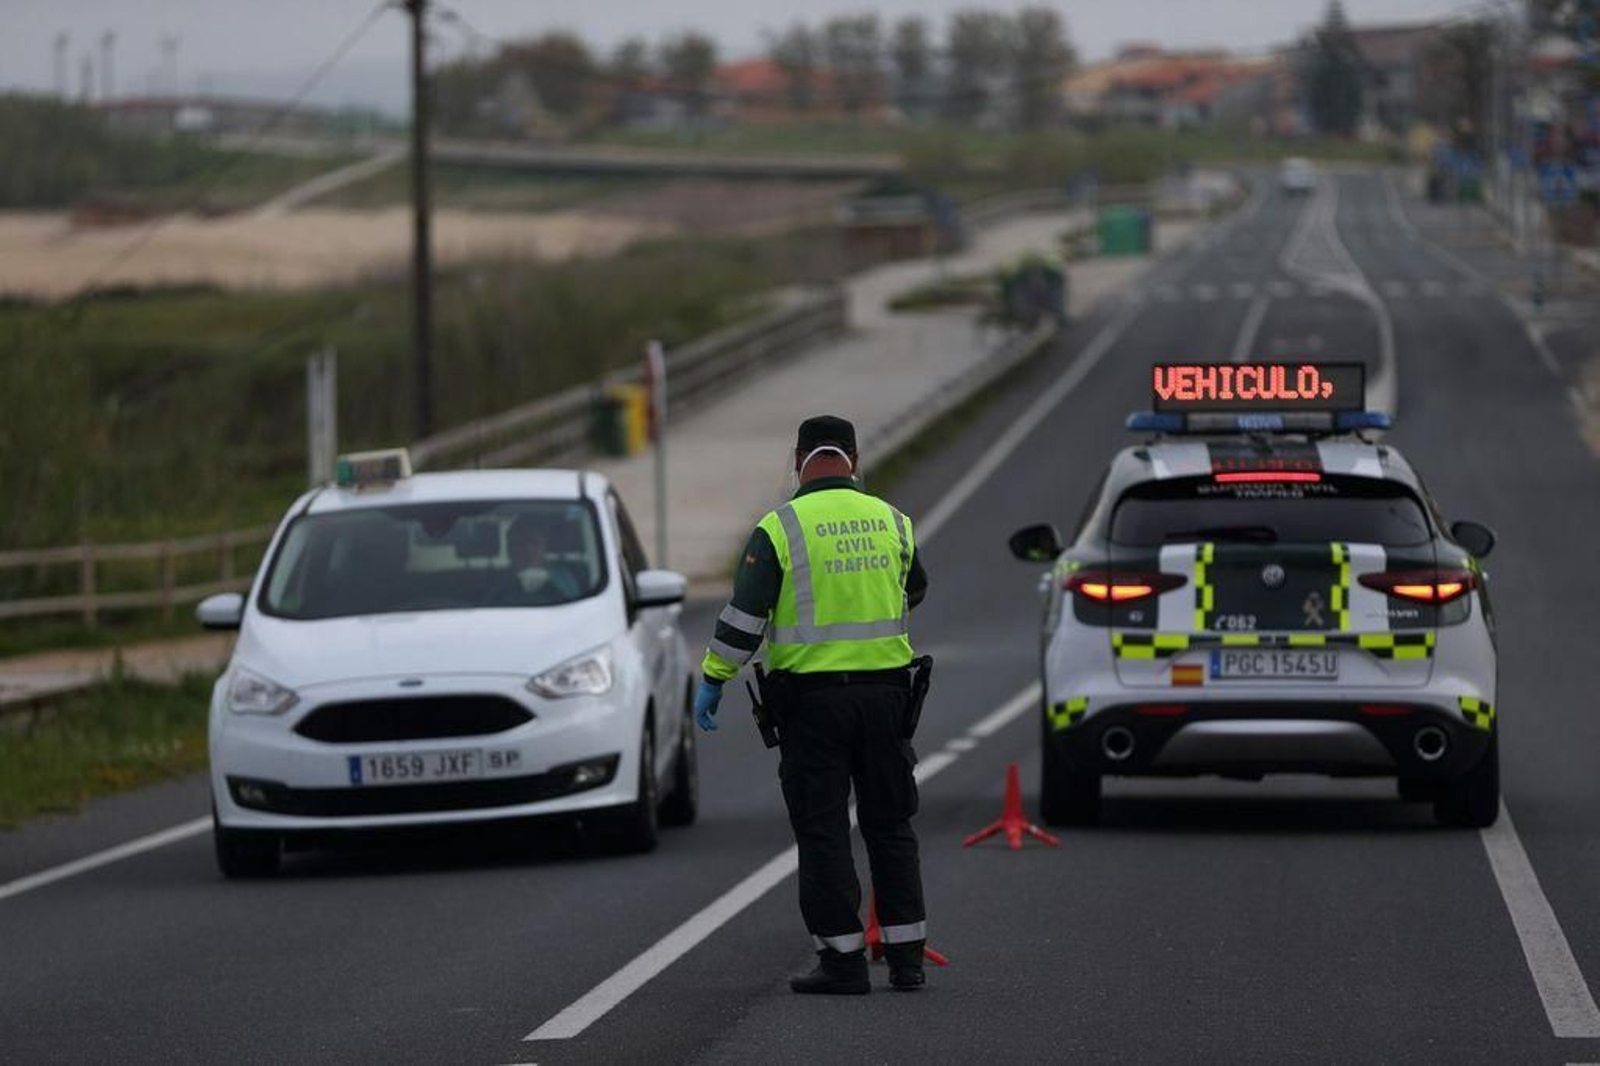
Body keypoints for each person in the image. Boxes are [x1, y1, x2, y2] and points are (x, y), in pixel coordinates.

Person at [694, 415, 931, 995]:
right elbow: (915, 587)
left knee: (824, 829)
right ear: (854, 460)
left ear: (797, 459)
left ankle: (844, 963)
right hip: (886, 697)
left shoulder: (779, 528)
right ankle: (906, 960)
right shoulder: (893, 520)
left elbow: (745, 618)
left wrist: (713, 678)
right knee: (890, 823)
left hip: (814, 705)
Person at [504, 514, 582, 603]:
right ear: (510, 549)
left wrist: (550, 586)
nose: (528, 549)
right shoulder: (496, 581)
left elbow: (576, 607)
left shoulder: (562, 577)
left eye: (534, 543)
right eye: (521, 544)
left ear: (544, 548)